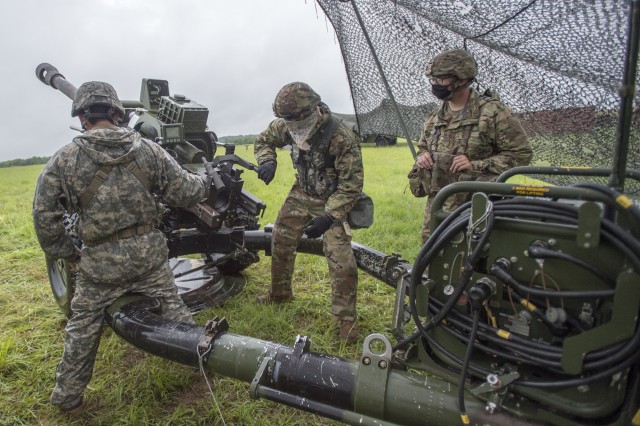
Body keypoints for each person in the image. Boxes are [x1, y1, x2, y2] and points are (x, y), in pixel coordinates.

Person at [32, 81, 208, 416]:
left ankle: (69, 399)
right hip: (150, 263)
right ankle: (201, 364)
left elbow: (44, 218)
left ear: (82, 118)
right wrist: (203, 180)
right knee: (176, 313)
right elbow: (188, 193)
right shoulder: (150, 150)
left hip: (99, 269)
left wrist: (68, 253)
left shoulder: (64, 159)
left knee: (82, 328)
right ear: (117, 113)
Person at [254, 82, 364, 343]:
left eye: (293, 118)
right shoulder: (287, 125)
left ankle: (345, 319)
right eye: (285, 119)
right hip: (301, 192)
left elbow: (352, 186)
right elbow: (263, 140)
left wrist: (329, 217)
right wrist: (267, 160)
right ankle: (279, 294)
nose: (288, 124)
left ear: (310, 111)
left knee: (340, 259)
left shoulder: (341, 136)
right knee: (280, 239)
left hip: (332, 199)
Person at [412, 49, 533, 242]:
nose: (435, 85)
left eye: (441, 79)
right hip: (437, 209)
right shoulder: (435, 118)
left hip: (478, 208)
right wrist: (423, 157)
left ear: (461, 79)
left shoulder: (493, 113)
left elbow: (521, 154)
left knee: (470, 262)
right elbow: (423, 148)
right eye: (433, 80)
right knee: (433, 260)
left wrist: (475, 165)